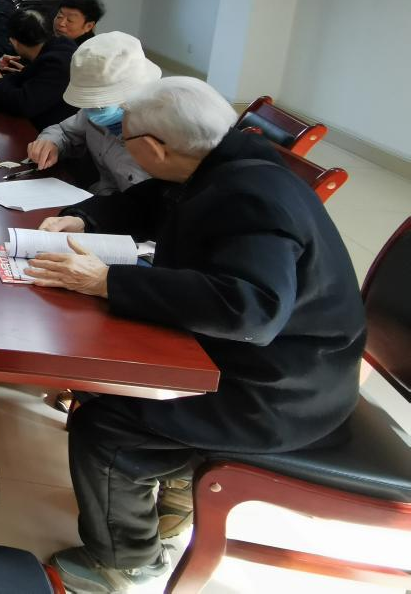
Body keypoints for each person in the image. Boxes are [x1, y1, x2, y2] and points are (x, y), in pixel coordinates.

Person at [23, 78, 366, 593]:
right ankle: (177, 487)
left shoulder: (253, 198)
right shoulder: (216, 159)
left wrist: (109, 281)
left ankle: (125, 562)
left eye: (127, 137)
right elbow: (152, 201)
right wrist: (83, 218)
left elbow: (250, 311)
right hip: (262, 362)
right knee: (105, 363)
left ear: (154, 147)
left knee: (106, 425)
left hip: (278, 391)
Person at [28, 33, 160, 196]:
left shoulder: (162, 138)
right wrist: (50, 142)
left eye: (102, 103)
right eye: (89, 102)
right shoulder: (93, 111)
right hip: (95, 198)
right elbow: (65, 131)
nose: (94, 109)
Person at [0, 9, 75, 131]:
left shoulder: (56, 62)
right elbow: (20, 82)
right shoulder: (56, 47)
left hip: (54, 134)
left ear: (14, 42)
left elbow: (24, 105)